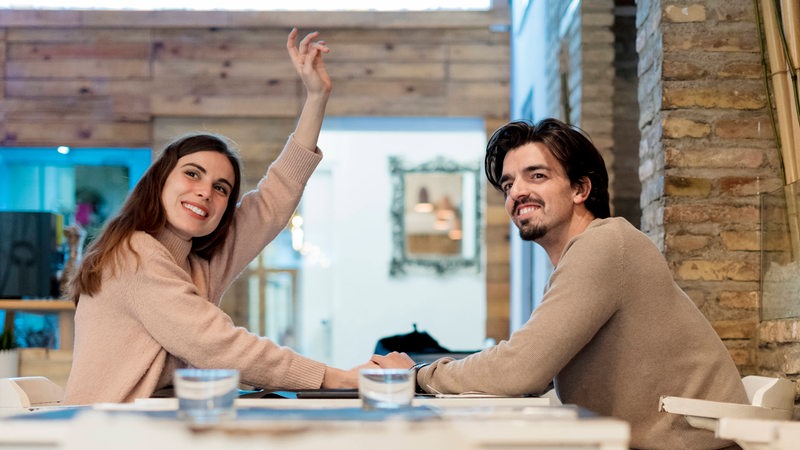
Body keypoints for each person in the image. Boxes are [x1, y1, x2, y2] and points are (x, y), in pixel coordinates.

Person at [374, 118, 749, 449]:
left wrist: (416, 376)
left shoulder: (605, 245)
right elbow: (528, 371)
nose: (517, 192)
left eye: (536, 176)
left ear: (579, 190)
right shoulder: (582, 257)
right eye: (508, 184)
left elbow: (521, 369)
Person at [64, 28, 375, 404]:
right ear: (161, 180)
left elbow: (274, 198)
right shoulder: (135, 255)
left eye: (221, 188)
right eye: (192, 174)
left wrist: (316, 97)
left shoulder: (197, 261)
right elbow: (217, 346)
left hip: (153, 424)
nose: (205, 192)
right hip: (106, 435)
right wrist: (336, 378)